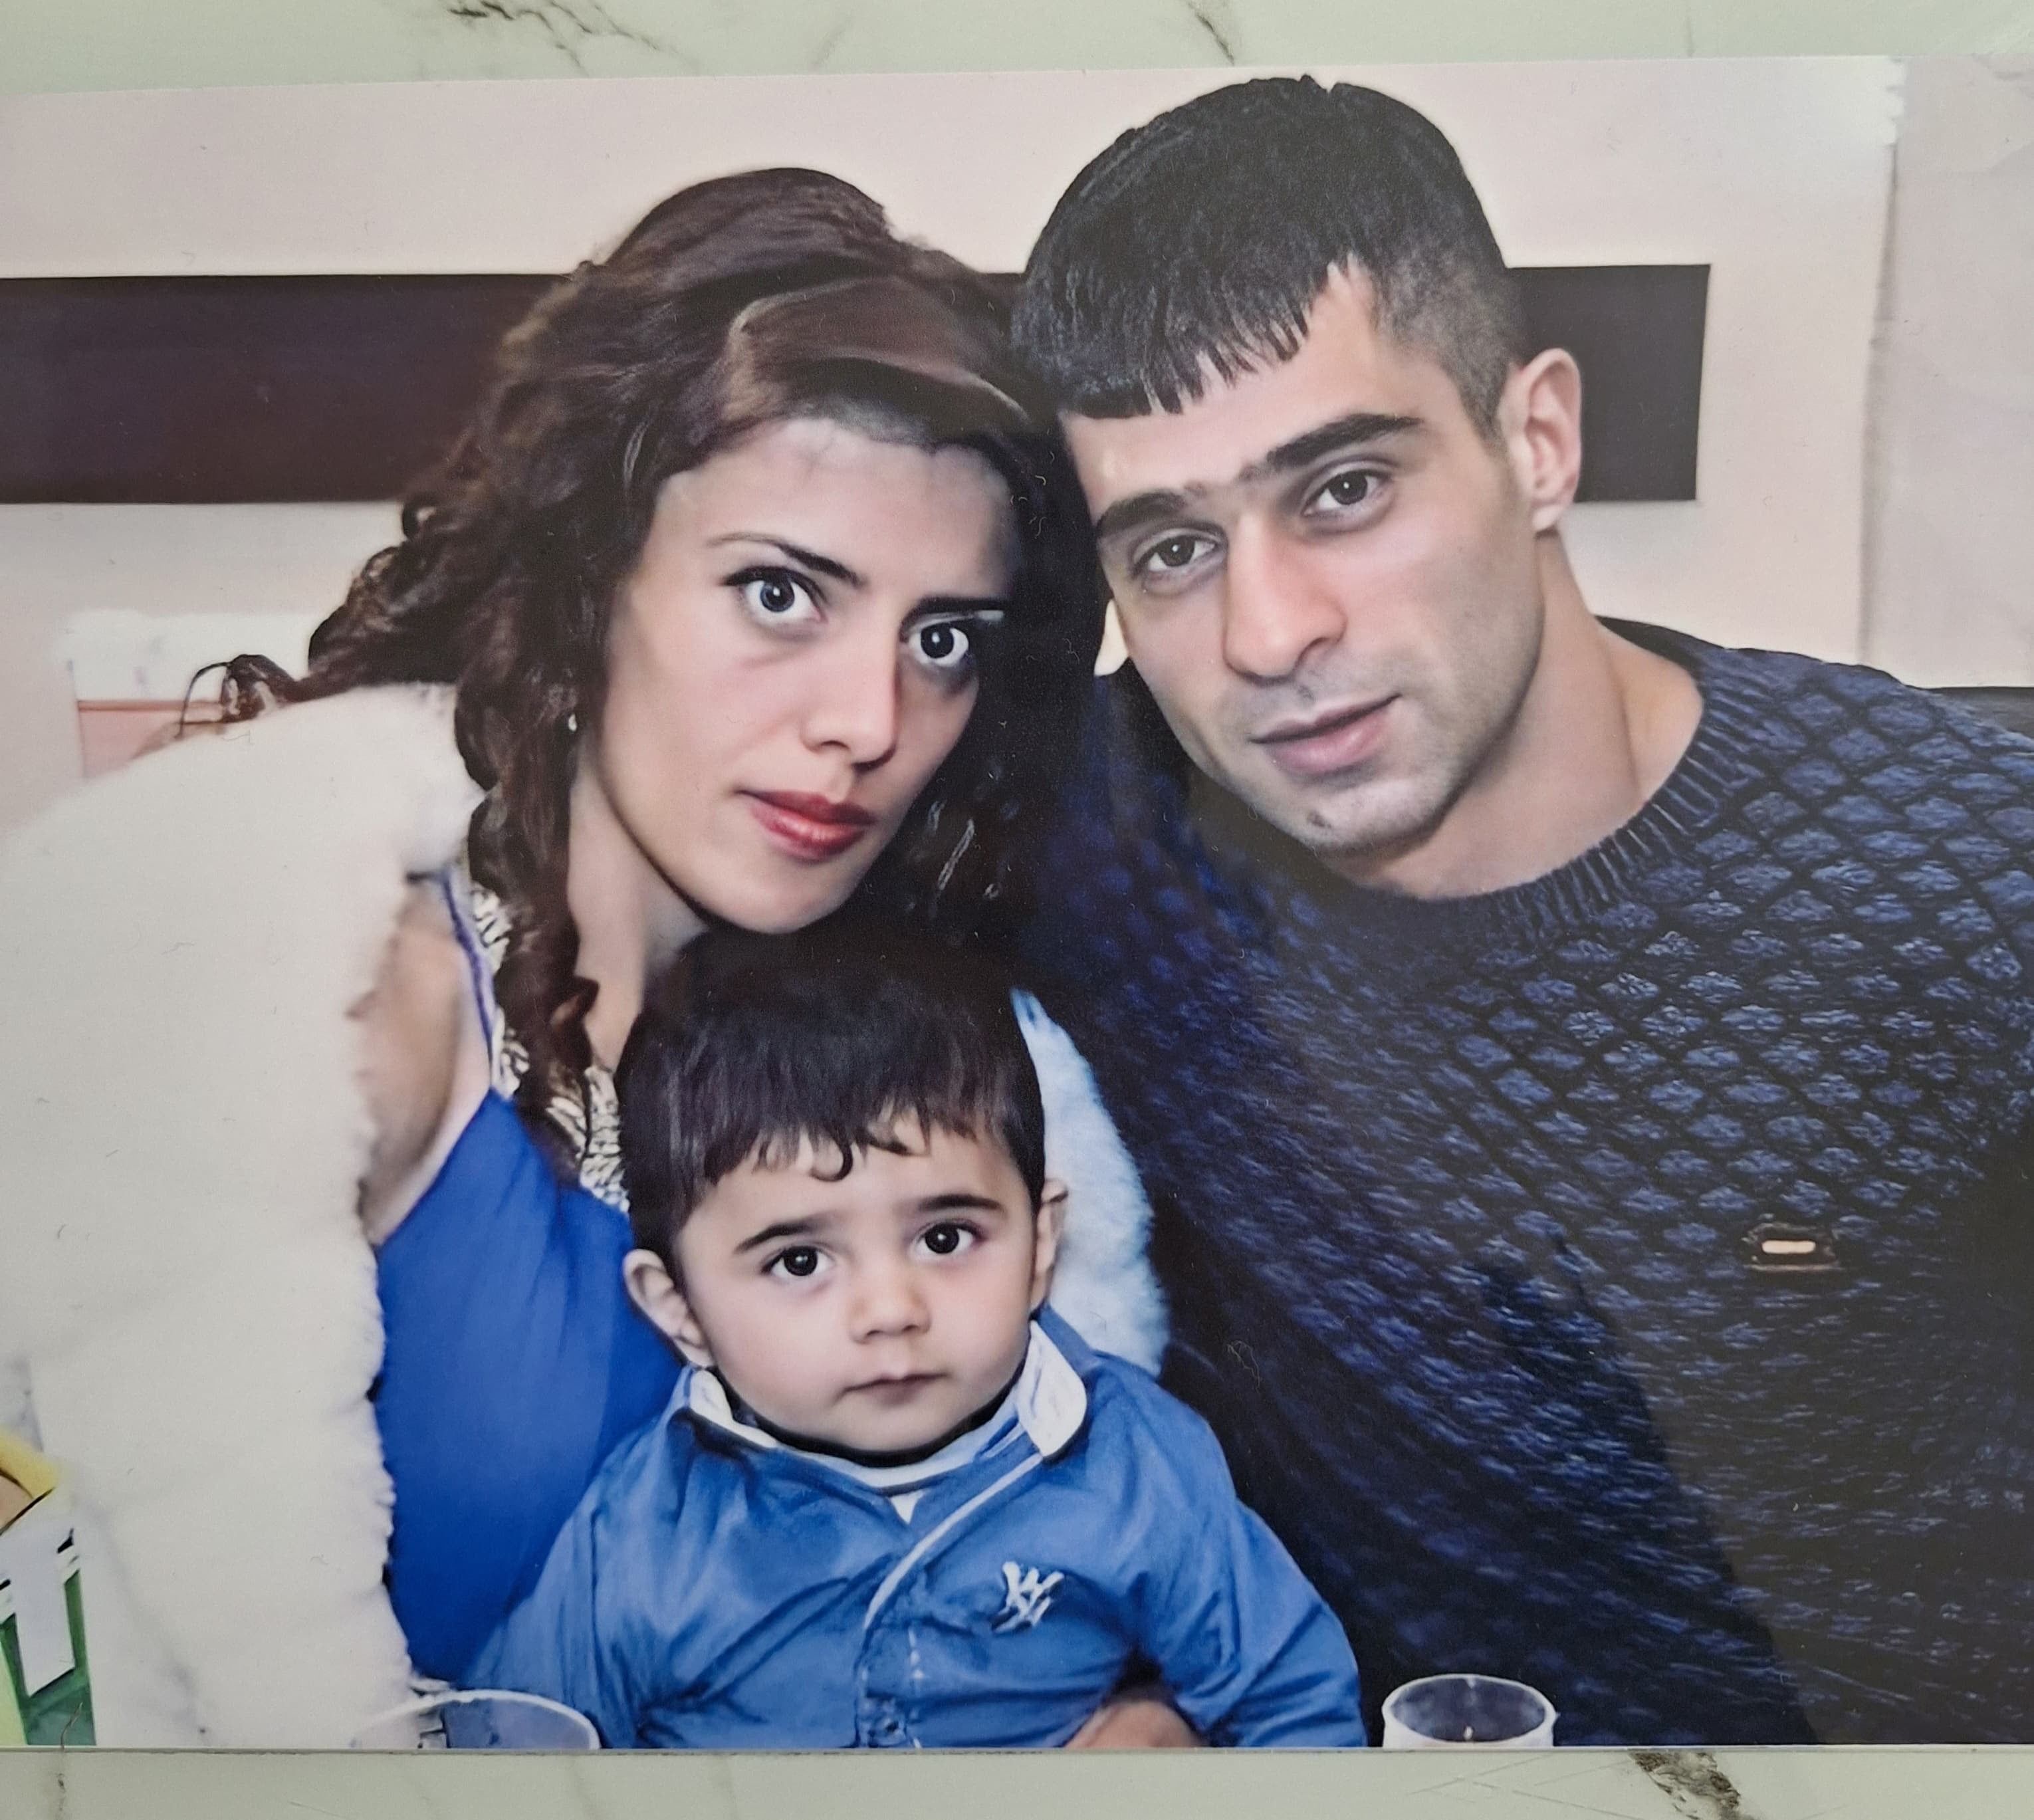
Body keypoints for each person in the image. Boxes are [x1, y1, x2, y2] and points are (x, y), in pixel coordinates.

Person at [0, 166, 1162, 1747]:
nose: (869, 721)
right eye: (780, 594)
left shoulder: (899, 1036)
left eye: (940, 637)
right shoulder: (353, 1014)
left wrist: (1123, 1707)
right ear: (588, 576)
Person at [1004, 75, 2034, 1744]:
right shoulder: (1110, 832)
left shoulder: (1964, 877)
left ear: (1537, 439)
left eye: (1344, 487)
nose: (1269, 633)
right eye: (1174, 550)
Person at [463, 919, 1363, 1749]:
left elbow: (1295, 1705)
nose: (891, 1308)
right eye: (800, 1261)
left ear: (1041, 1244)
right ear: (681, 1309)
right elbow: (508, 1760)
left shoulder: (1136, 1465)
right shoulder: (642, 1537)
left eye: (945, 1239)